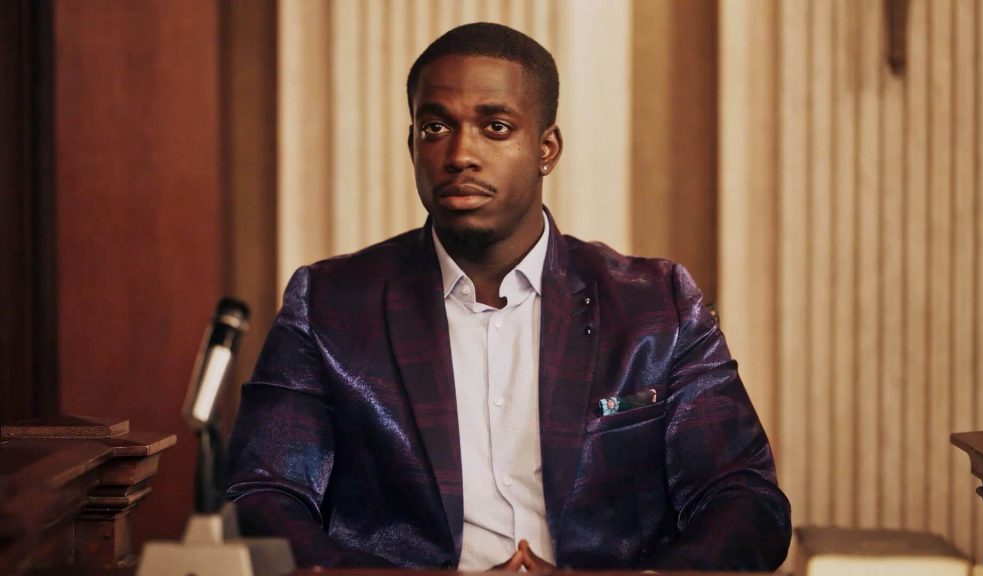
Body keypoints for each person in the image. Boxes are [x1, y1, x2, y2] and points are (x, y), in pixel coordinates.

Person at [225, 22, 791, 572]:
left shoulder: (655, 305)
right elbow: (262, 494)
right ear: (412, 144)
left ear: (546, 148)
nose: (460, 154)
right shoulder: (330, 304)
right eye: (435, 127)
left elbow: (744, 497)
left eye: (495, 127)